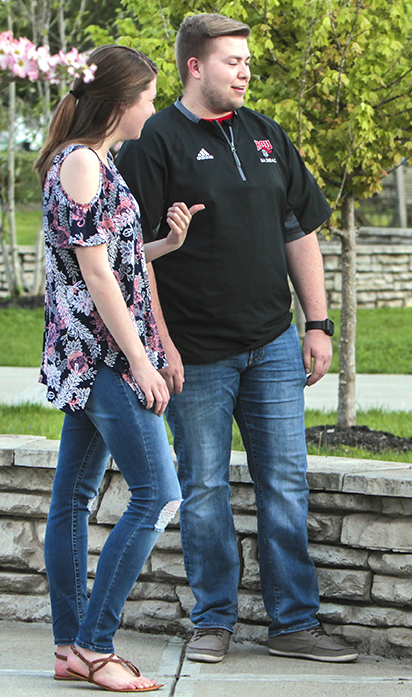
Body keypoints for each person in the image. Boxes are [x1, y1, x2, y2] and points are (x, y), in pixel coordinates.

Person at [115, 14, 357, 664]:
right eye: (232, 60)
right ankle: (213, 619)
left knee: (286, 481)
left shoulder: (266, 136)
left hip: (273, 343)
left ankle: (294, 622)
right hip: (195, 353)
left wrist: (317, 321)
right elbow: (133, 258)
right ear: (195, 66)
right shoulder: (153, 142)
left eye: (248, 60)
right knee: (203, 487)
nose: (245, 71)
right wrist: (160, 345)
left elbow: (298, 231)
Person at [35, 44, 203, 692]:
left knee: (73, 498)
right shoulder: (80, 162)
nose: (153, 108)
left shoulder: (94, 160)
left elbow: (113, 254)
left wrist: (164, 242)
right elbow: (97, 274)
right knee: (158, 492)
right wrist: (142, 361)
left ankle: (71, 648)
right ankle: (95, 645)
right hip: (101, 355)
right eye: (148, 96)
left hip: (96, 351)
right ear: (120, 101)